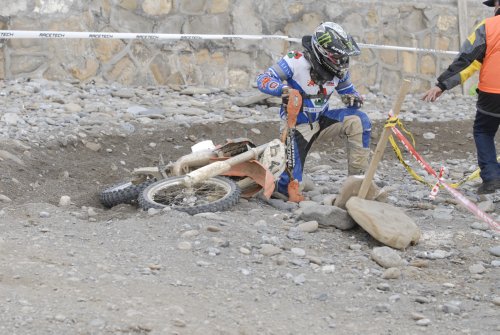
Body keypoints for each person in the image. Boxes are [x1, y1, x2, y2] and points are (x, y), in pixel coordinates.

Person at [256, 22, 371, 199]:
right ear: (322, 52)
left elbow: (350, 93)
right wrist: (283, 89)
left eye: (343, 57)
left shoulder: (340, 71)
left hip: (322, 120)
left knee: (359, 120)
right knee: (288, 190)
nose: (342, 62)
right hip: (295, 126)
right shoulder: (295, 61)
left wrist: (354, 99)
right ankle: (276, 170)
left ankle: (357, 184)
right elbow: (263, 79)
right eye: (337, 57)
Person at [422, 0, 500, 194]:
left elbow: (467, 59)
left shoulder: (488, 26)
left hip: (493, 93)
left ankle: (492, 179)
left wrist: (442, 84)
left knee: (484, 131)